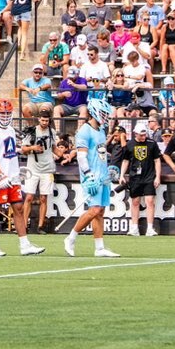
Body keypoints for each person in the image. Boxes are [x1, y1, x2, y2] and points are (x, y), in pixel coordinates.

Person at [0, 98, 42, 257]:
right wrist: (0, 176)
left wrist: (17, 170)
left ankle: (24, 244)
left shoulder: (11, 130)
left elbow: (10, 152)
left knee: (19, 208)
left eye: (8, 113)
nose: (6, 116)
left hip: (12, 176)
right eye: (2, 113)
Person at [62, 107, 119, 257]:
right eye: (104, 113)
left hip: (102, 176)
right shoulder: (84, 131)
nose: (106, 116)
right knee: (94, 210)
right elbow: (81, 156)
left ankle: (99, 248)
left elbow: (100, 153)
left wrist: (106, 172)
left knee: (100, 212)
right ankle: (71, 238)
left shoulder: (100, 130)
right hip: (91, 177)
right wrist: (88, 175)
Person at [121, 120, 161, 238]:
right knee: (135, 202)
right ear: (135, 134)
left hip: (149, 176)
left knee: (149, 201)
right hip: (135, 177)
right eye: (141, 135)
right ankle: (134, 227)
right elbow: (125, 161)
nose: (143, 137)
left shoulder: (152, 144)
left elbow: (157, 160)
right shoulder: (129, 145)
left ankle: (150, 227)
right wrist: (122, 175)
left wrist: (157, 176)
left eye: (144, 134)